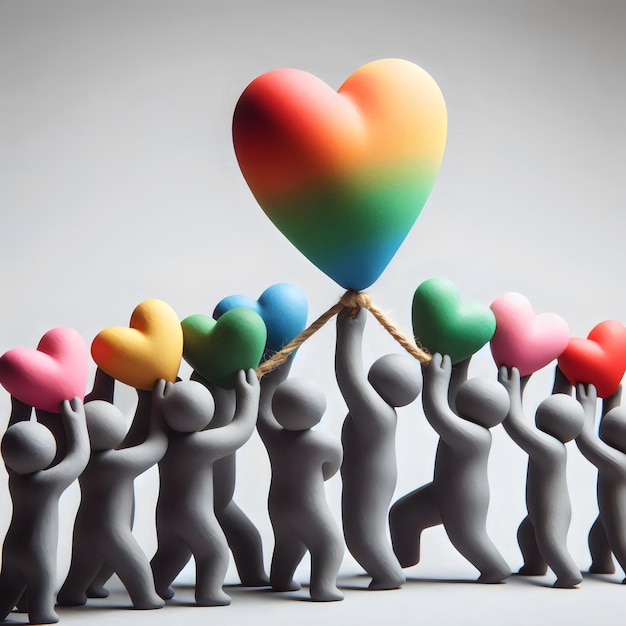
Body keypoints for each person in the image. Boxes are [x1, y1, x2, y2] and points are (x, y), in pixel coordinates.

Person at [390, 353, 511, 583]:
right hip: (440, 491)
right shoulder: (467, 421)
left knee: (467, 539)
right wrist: (461, 361)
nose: (463, 392)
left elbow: (437, 413)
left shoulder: (475, 436)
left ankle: (496, 568)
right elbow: (454, 397)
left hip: (464, 501)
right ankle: (402, 560)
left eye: (470, 393)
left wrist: (432, 379)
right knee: (403, 515)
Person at [150, 369, 259, 606]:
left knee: (172, 552)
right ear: (208, 415)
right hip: (195, 516)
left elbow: (154, 432)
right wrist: (249, 396)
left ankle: (155, 584)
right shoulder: (203, 444)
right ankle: (209, 592)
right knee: (214, 551)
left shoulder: (163, 442)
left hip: (166, 515)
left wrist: (158, 407)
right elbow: (241, 429)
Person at [57, 381, 168, 609]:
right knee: (134, 564)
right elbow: (156, 444)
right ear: (118, 431)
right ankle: (145, 596)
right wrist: (156, 406)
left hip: (85, 527)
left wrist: (105, 377)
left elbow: (97, 417)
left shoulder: (81, 458)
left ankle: (72, 592)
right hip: (113, 532)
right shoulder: (119, 463)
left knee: (82, 564)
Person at [336, 307, 422, 589]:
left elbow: (348, 376)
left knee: (361, 535)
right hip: (373, 477)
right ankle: (388, 567)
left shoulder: (374, 411)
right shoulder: (381, 411)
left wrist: (350, 330)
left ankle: (389, 574)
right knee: (363, 531)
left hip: (369, 481)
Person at [257, 365, 344, 601]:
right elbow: (331, 468)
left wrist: (268, 376)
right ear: (319, 412)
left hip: (278, 505)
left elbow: (261, 413)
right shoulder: (325, 444)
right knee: (328, 544)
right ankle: (323, 587)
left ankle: (281, 579)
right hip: (309, 506)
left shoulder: (273, 437)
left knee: (287, 543)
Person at [0, 397, 89, 624]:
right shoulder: (49, 483)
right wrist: (76, 421)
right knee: (41, 580)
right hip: (38, 551)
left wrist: (21, 405)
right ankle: (41, 612)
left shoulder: (15, 478)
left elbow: (12, 442)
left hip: (11, 546)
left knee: (8, 584)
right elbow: (79, 457)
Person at [498, 365, 584, 587]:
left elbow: (514, 424)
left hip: (552, 511)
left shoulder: (549, 449)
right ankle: (535, 566)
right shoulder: (555, 443)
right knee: (527, 533)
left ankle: (568, 573)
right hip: (543, 508)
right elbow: (561, 402)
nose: (545, 406)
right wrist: (564, 376)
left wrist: (512, 390)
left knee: (550, 542)